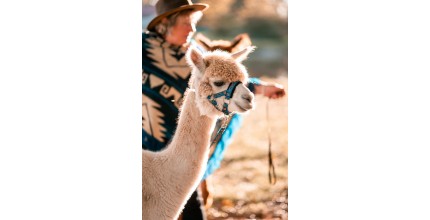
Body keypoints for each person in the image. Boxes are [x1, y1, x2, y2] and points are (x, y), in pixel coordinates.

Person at [142, 0, 286, 219]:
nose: (192, 29)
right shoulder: (141, 52)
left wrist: (263, 88)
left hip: (179, 155)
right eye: (186, 23)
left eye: (193, 23)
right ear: (166, 24)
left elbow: (226, 81)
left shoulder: (197, 59)